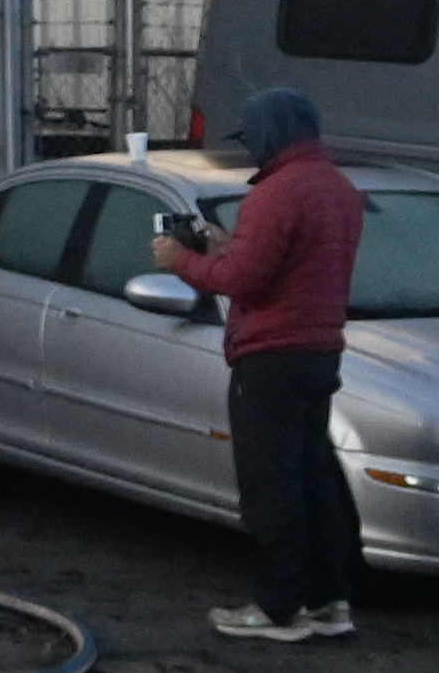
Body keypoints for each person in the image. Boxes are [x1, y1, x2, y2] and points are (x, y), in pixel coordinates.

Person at [155, 86, 367, 643]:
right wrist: (229, 247)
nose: (252, 151)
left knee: (271, 484)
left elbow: (242, 282)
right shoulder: (339, 189)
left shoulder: (276, 194)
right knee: (315, 478)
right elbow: (292, 266)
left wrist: (182, 261)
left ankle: (278, 610)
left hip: (270, 357)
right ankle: (328, 602)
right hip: (320, 352)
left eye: (254, 139)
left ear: (274, 135)